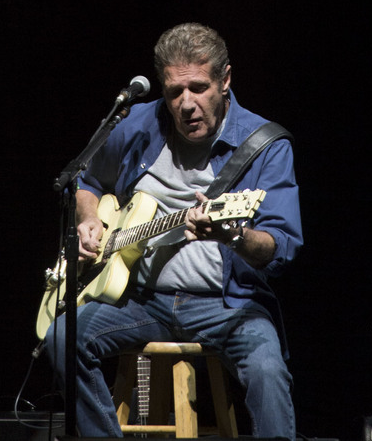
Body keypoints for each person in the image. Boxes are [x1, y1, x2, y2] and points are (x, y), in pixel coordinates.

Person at [45, 22, 303, 438]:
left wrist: (232, 236)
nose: (186, 104)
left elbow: (279, 246)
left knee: (268, 370)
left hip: (226, 303)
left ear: (225, 80)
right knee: (61, 338)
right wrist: (89, 219)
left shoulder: (266, 145)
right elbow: (87, 182)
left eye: (199, 88)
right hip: (141, 301)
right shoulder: (136, 124)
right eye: (173, 92)